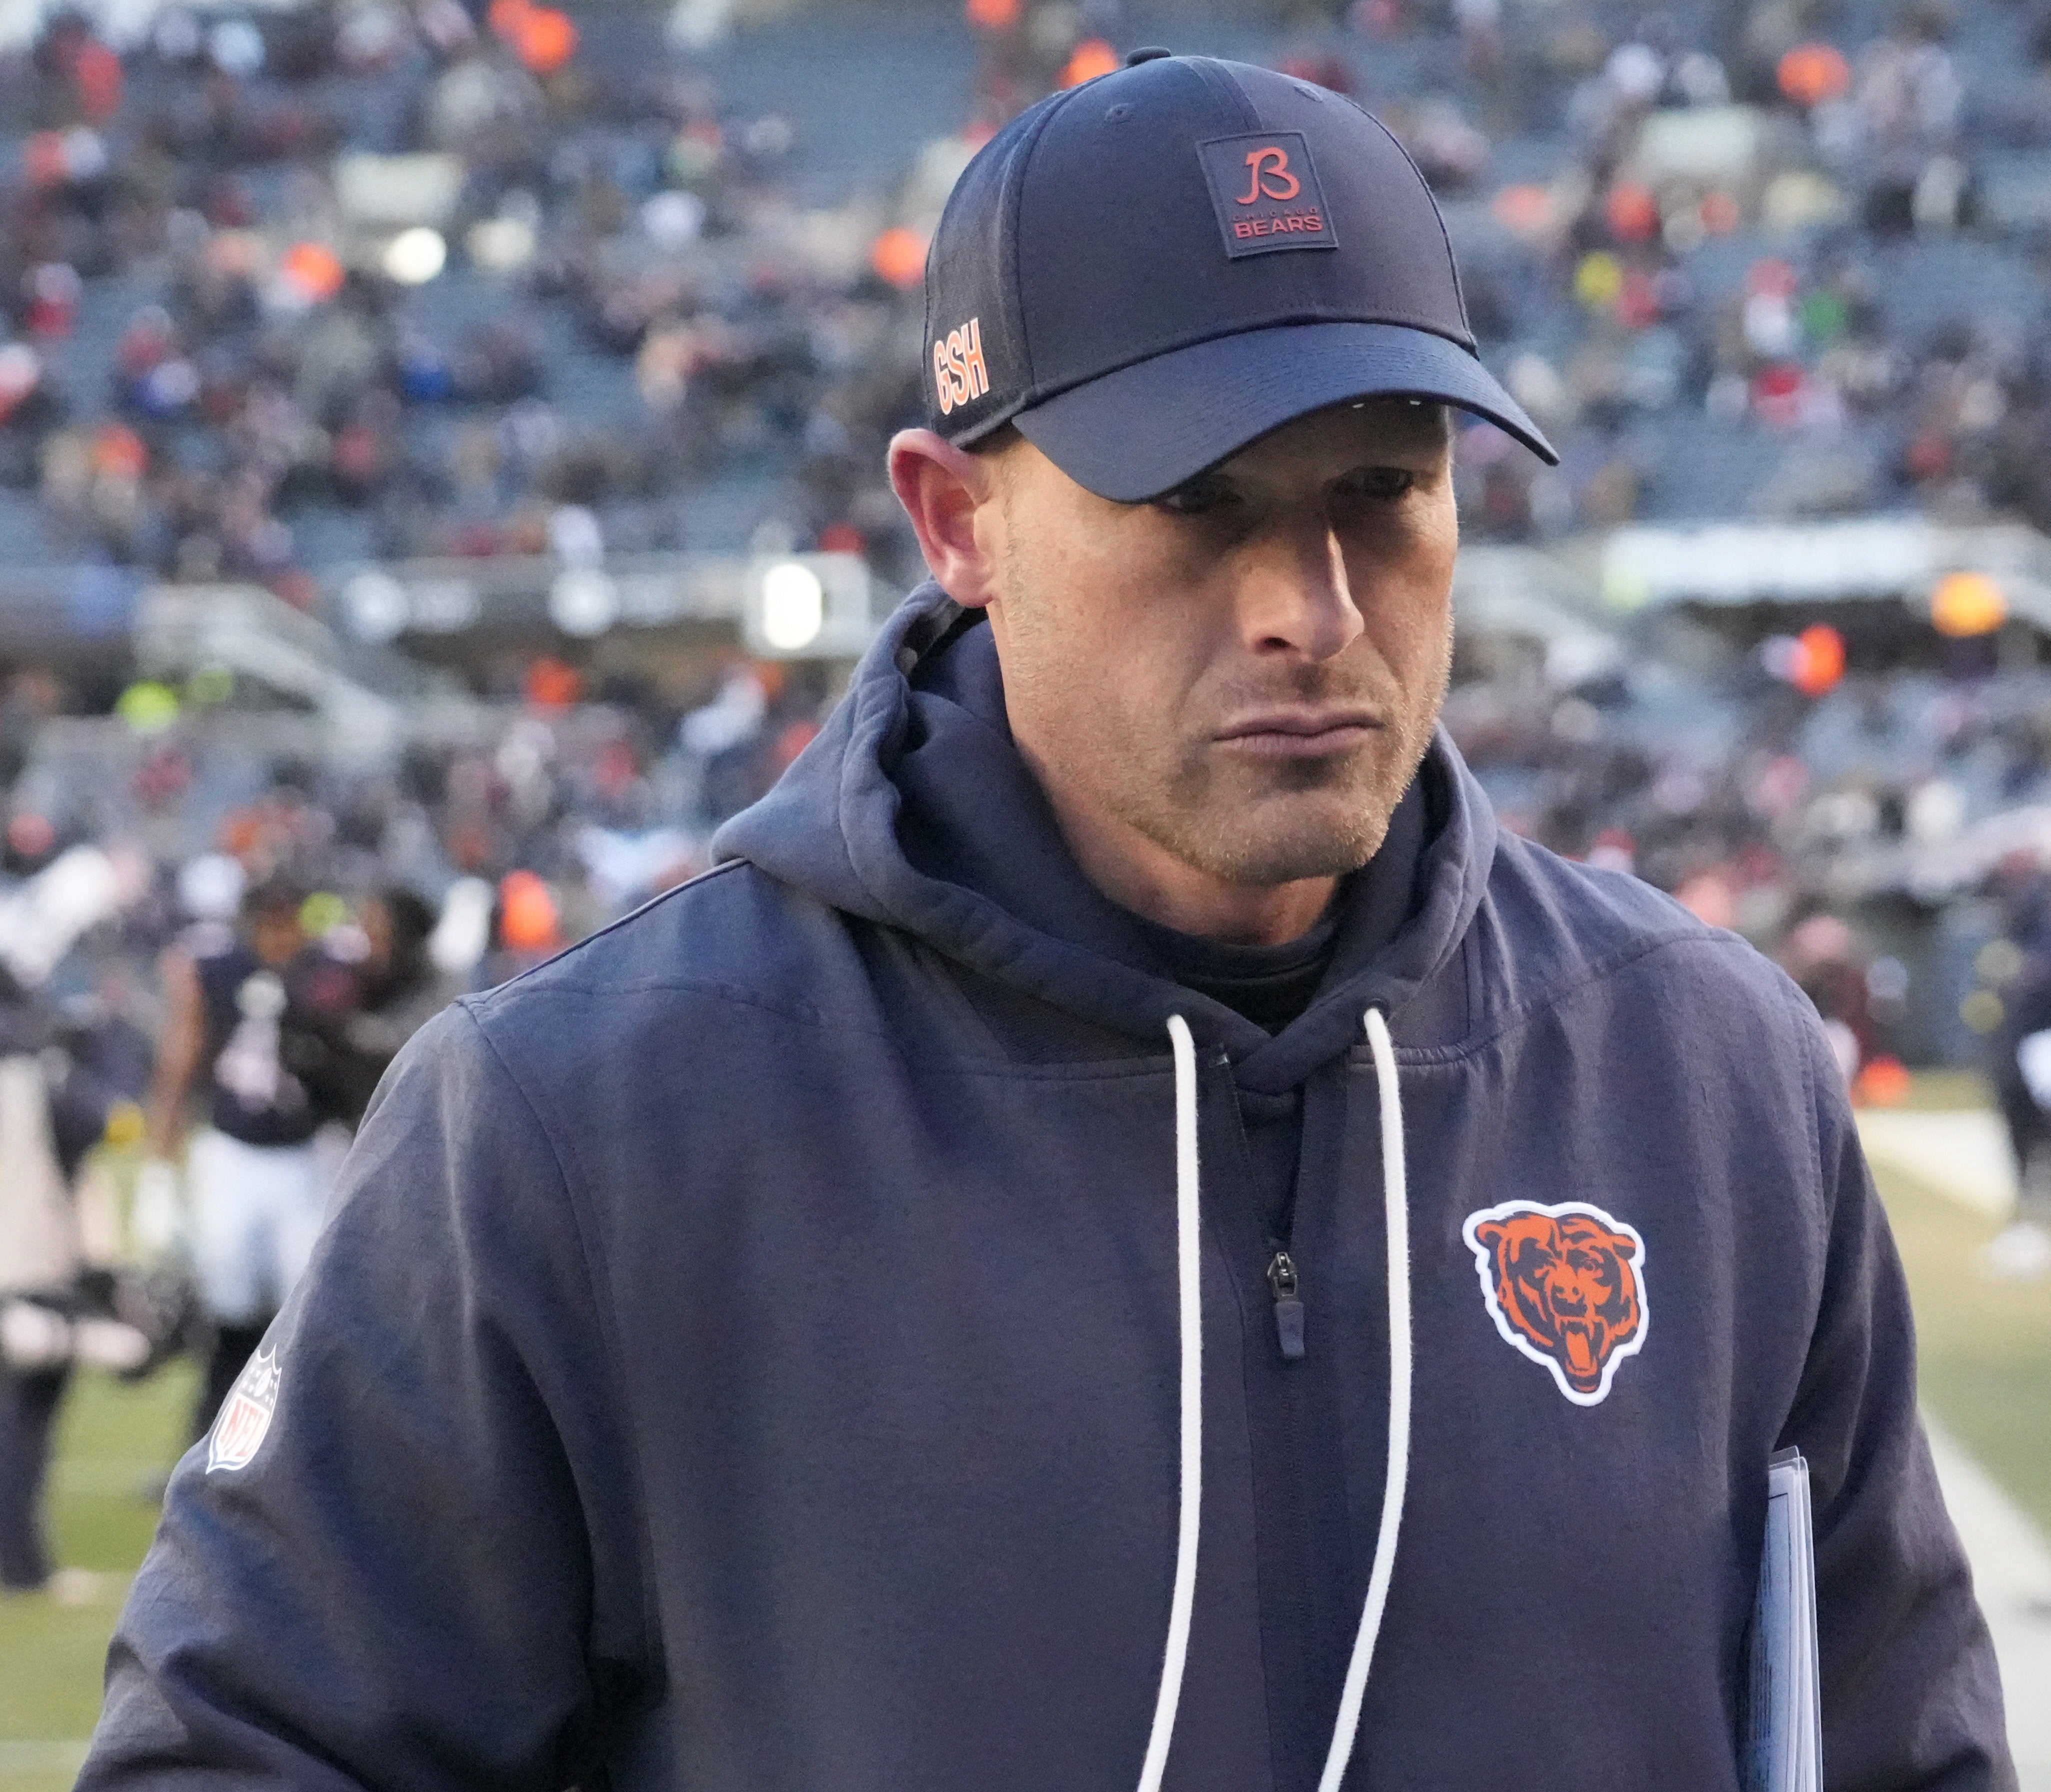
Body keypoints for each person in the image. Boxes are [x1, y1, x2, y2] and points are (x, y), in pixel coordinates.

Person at [84, 52, 2008, 1790]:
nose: (1308, 605)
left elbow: (1897, 1746)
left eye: (1381, 492)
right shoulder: (584, 1117)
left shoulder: (1701, 1071)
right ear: (954, 518)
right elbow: (239, 1748)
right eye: (1195, 503)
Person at [141, 868, 342, 1441]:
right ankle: (208, 1440)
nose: (280, 934)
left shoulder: (326, 971)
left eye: (287, 920)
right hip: (232, 1152)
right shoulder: (220, 967)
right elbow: (182, 1055)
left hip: (305, 1154)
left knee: (301, 1315)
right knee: (227, 1310)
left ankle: (291, 1449)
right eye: (270, 921)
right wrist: (160, 1165)